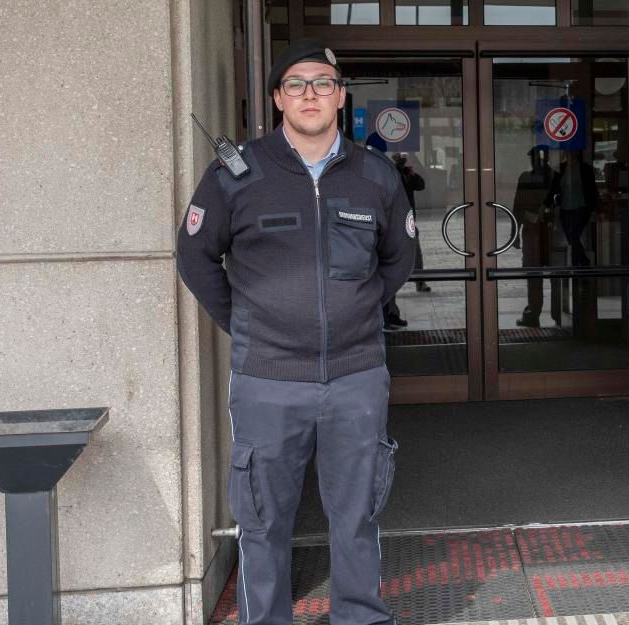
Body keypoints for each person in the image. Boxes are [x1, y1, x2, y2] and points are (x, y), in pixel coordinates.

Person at [176, 39, 415, 625]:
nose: (310, 94)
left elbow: (398, 259)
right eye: (296, 85)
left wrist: (358, 313)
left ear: (341, 96)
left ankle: (360, 616)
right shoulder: (238, 174)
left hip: (357, 377)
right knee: (262, 521)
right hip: (267, 380)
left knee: (357, 516)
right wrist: (247, 322)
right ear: (278, 98)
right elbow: (195, 256)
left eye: (323, 83)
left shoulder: (375, 175)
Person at [383, 151, 429, 330]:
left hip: (407, 222)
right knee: (390, 266)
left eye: (402, 157)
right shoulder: (389, 173)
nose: (400, 159)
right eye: (398, 157)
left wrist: (410, 173)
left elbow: (420, 185)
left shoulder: (406, 174)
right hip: (393, 225)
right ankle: (389, 314)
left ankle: (420, 281)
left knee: (416, 253)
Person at [514, 145, 555, 327]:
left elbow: (517, 208)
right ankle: (546, 312)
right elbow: (518, 207)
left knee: (537, 275)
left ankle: (536, 313)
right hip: (544, 234)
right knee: (543, 275)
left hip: (540, 233)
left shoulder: (530, 178)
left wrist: (514, 233)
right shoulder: (552, 177)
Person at [547, 148, 598, 267]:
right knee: (572, 237)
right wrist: (545, 204)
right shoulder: (560, 168)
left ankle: (580, 264)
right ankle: (581, 263)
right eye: (568, 150)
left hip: (581, 207)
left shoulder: (585, 169)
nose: (570, 153)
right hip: (565, 209)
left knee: (573, 235)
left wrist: (594, 208)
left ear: (577, 152)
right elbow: (554, 189)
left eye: (573, 150)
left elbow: (592, 189)